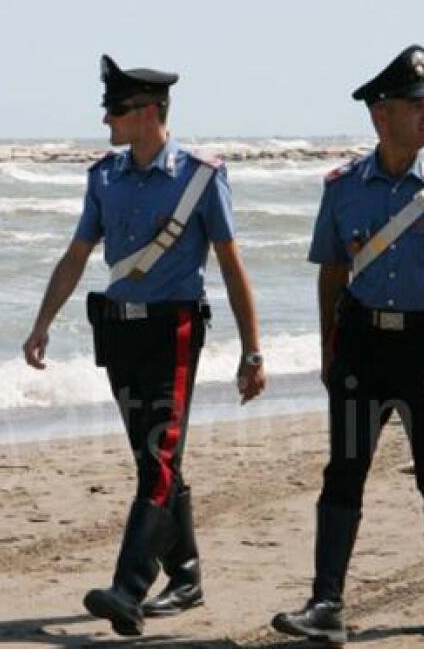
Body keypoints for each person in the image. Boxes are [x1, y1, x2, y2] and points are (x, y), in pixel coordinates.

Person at [21, 54, 266, 637]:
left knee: (159, 455)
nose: (107, 118)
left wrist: (252, 350)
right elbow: (78, 255)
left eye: (118, 109)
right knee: (154, 459)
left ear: (150, 112)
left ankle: (130, 588)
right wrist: (41, 324)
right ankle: (186, 576)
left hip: (174, 330)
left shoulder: (201, 177)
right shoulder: (103, 177)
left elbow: (232, 266)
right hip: (119, 329)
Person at [271, 45, 424, 644]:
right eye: (415, 103)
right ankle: (326, 605)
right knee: (343, 471)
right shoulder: (345, 187)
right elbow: (330, 272)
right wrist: (329, 346)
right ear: (382, 114)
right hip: (362, 346)